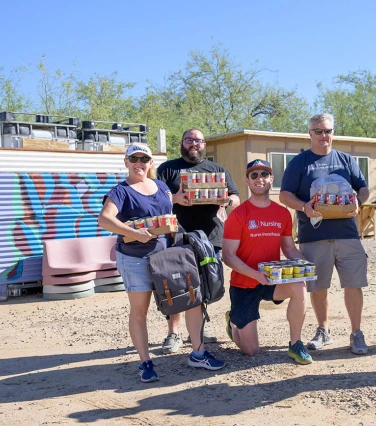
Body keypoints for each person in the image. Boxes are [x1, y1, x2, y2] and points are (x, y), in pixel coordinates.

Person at [98, 144, 225, 383]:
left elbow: (169, 214)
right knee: (140, 311)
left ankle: (198, 353)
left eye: (144, 158)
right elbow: (104, 219)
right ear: (126, 162)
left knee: (192, 300)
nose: (139, 163)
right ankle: (145, 362)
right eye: (134, 158)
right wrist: (134, 233)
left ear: (150, 163)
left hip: (167, 255)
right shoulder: (121, 191)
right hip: (135, 257)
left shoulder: (162, 187)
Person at [280, 113, 370, 355]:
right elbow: (285, 194)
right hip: (313, 235)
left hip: (347, 234)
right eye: (318, 131)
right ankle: (323, 330)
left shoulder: (346, 160)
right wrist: (304, 207)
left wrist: (358, 203)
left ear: (333, 132)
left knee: (354, 284)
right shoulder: (299, 163)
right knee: (318, 286)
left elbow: (363, 188)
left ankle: (356, 332)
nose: (323, 136)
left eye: (327, 131)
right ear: (310, 134)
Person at [157, 128, 240, 354]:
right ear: (182, 143)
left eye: (199, 140)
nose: (194, 144)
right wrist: (176, 199)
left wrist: (226, 200)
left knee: (203, 284)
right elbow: (156, 199)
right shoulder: (167, 169)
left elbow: (235, 196)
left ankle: (199, 330)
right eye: (189, 140)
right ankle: (173, 333)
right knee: (177, 284)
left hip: (210, 237)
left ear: (204, 144)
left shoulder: (217, 170)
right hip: (178, 235)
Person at [222, 159, 312, 365]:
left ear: (271, 179)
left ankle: (296, 343)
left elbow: (289, 248)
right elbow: (228, 255)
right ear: (247, 181)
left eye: (264, 174)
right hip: (244, 283)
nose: (259, 179)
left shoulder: (281, 213)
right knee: (251, 350)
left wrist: (307, 266)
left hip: (271, 279)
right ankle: (233, 322)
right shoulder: (238, 215)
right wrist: (255, 275)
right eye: (254, 175)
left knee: (299, 285)